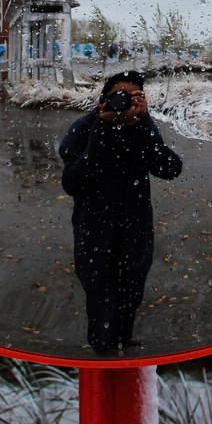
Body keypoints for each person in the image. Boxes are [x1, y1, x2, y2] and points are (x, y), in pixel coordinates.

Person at [59, 70, 182, 354]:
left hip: (135, 228)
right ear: (104, 99)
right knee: (99, 294)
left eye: (133, 96)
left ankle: (124, 340)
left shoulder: (143, 126)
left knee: (131, 290)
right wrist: (103, 131)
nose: (124, 103)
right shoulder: (85, 127)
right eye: (119, 96)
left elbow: (170, 168)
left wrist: (142, 123)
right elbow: (73, 182)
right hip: (94, 230)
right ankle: (102, 350)